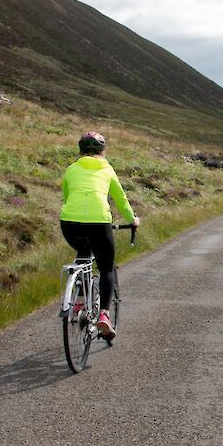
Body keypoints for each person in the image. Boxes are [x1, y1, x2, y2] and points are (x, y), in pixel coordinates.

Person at [59, 131, 138, 338]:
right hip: (99, 221)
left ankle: (77, 304)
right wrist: (132, 220)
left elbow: (66, 197)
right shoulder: (107, 169)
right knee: (106, 267)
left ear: (80, 150)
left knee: (83, 255)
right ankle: (104, 314)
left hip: (69, 223)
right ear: (103, 151)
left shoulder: (71, 169)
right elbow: (120, 198)